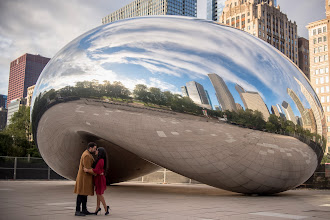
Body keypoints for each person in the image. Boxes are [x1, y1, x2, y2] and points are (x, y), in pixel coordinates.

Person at [84, 147, 110, 215]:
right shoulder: (99, 160)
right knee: (98, 193)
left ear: (100, 152)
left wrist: (87, 170)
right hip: (98, 178)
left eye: (97, 150)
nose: (96, 151)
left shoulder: (101, 160)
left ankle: (106, 208)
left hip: (100, 179)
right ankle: (97, 208)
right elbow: (99, 170)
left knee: (99, 194)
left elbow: (97, 170)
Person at [74, 142, 97, 216]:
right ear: (90, 148)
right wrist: (96, 173)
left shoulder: (87, 154)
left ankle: (84, 209)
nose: (95, 150)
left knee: (84, 194)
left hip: (85, 178)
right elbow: (87, 168)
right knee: (81, 194)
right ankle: (77, 211)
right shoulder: (87, 155)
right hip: (84, 178)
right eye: (94, 149)